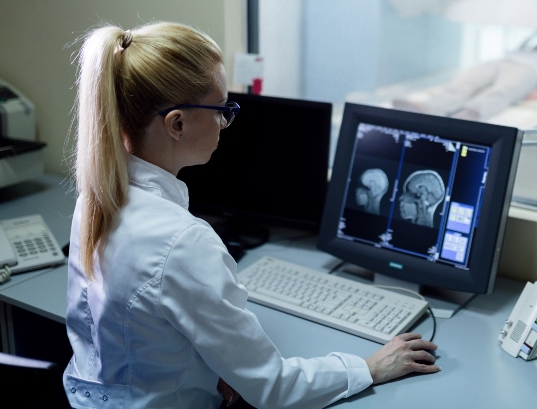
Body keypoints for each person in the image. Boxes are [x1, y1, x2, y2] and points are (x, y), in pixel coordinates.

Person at [64, 21, 440, 409]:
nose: (227, 123)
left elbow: (131, 332)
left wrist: (216, 367)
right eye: (222, 109)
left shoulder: (96, 198)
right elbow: (273, 388)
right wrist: (371, 367)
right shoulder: (182, 242)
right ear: (177, 124)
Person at [393, 32, 537, 121]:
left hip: (528, 71)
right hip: (501, 62)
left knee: (502, 91)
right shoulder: (521, 51)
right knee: (467, 80)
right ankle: (429, 106)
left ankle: (473, 112)